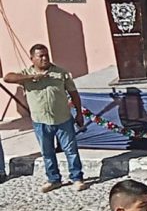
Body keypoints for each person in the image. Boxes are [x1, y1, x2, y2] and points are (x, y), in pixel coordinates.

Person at [3, 44, 86, 193]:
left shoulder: (61, 73)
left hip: (63, 119)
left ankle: (77, 178)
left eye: (46, 55)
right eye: (40, 56)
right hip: (40, 121)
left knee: (71, 151)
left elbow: (74, 93)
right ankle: (53, 179)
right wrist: (32, 77)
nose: (44, 58)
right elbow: (7, 77)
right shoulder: (26, 74)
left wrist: (79, 113)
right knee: (47, 153)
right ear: (32, 59)